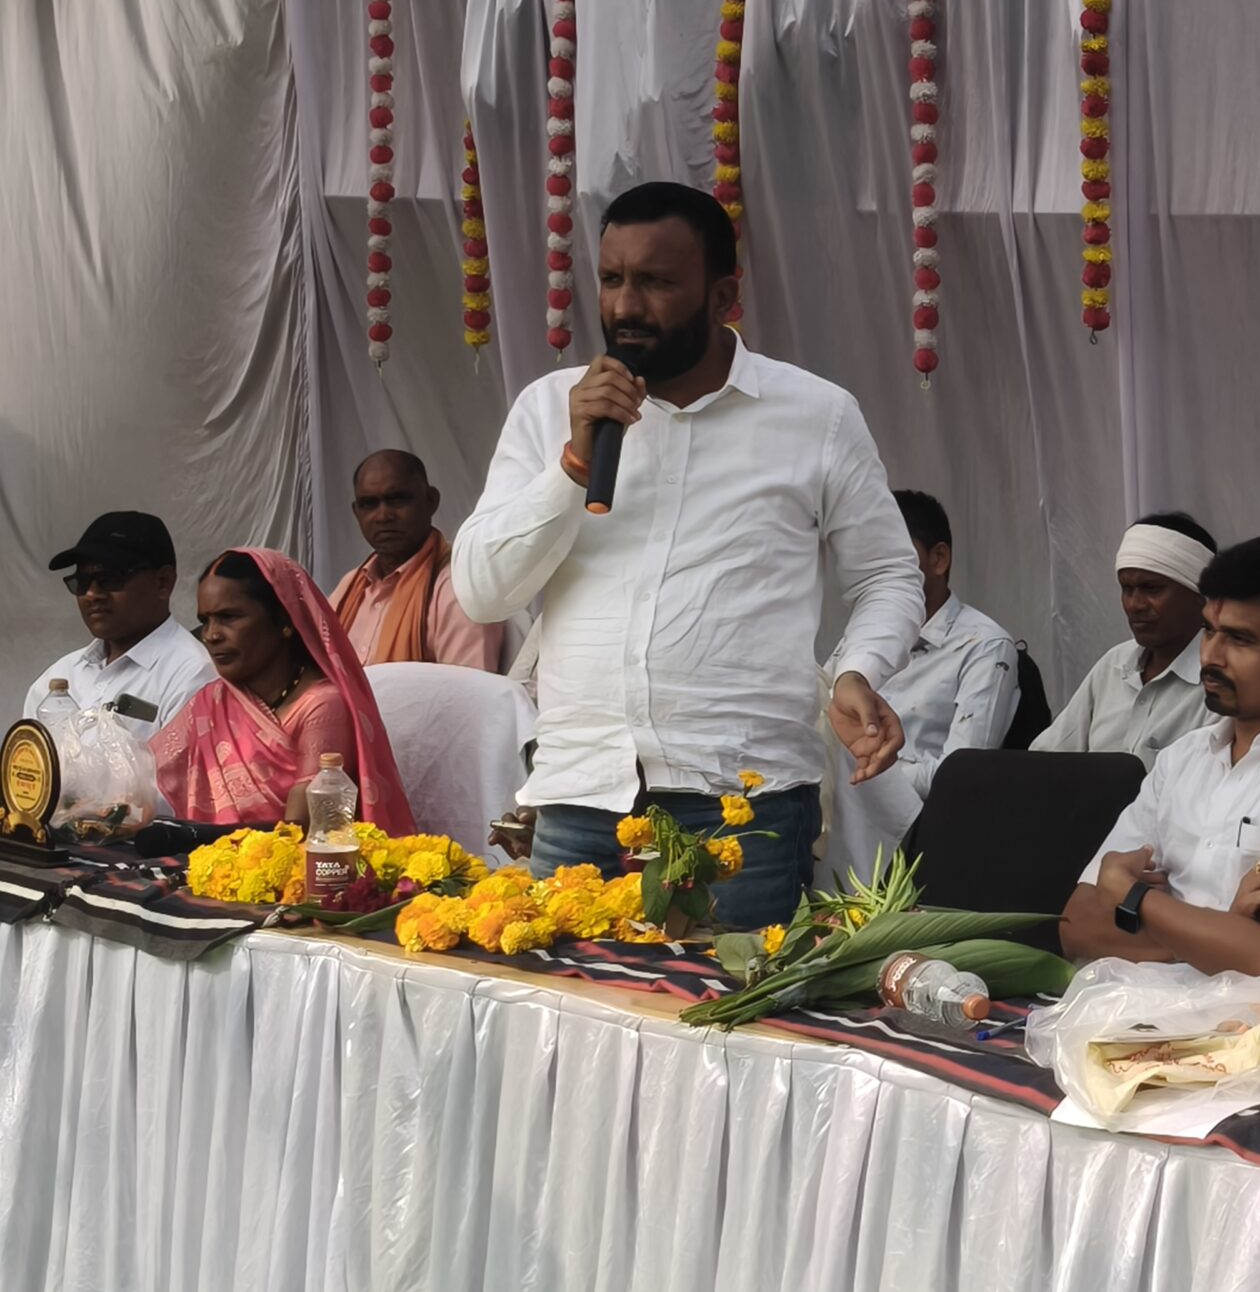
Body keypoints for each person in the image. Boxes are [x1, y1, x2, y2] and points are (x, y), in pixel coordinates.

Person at [451, 181, 924, 928]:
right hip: (579, 796)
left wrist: (857, 669)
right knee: (566, 1005)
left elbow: (888, 575)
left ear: (724, 295)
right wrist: (572, 465)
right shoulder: (549, 409)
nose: (625, 306)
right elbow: (483, 591)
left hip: (741, 806)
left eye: (656, 282)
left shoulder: (817, 416)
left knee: (726, 1004)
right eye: (612, 279)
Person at [1060, 535, 1260, 976]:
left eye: (1240, 639)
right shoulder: (1182, 759)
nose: (1211, 656)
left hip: (1247, 1020)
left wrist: (1134, 897)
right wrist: (1227, 931)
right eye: (1208, 630)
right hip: (1125, 1008)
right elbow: (1076, 926)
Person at [152, 549, 414, 833]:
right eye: (205, 621)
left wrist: (192, 838)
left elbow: (301, 826)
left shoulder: (323, 706)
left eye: (229, 617)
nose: (212, 635)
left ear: (285, 621)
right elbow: (148, 775)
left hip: (291, 858)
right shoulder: (213, 700)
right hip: (211, 855)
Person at [831, 489, 1022, 875]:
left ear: (938, 559)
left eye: (894, 556)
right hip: (841, 826)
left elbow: (961, 774)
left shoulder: (984, 645)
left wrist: (867, 776)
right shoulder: (863, 636)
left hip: (918, 847)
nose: (881, 573)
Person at [1030, 512, 1217, 767]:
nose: (1134, 605)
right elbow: (1046, 757)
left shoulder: (1222, 679)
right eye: (1126, 589)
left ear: (1199, 594)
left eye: (1152, 589)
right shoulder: (1114, 665)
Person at [26, 511, 214, 739]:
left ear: (163, 582)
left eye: (110, 579)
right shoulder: (57, 677)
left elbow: (186, 762)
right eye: (81, 582)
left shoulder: (193, 675)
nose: (92, 594)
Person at [328, 449, 507, 671]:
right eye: (369, 504)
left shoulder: (459, 587)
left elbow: (468, 690)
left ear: (431, 501)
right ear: (356, 513)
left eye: (397, 500)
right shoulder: (350, 587)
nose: (383, 516)